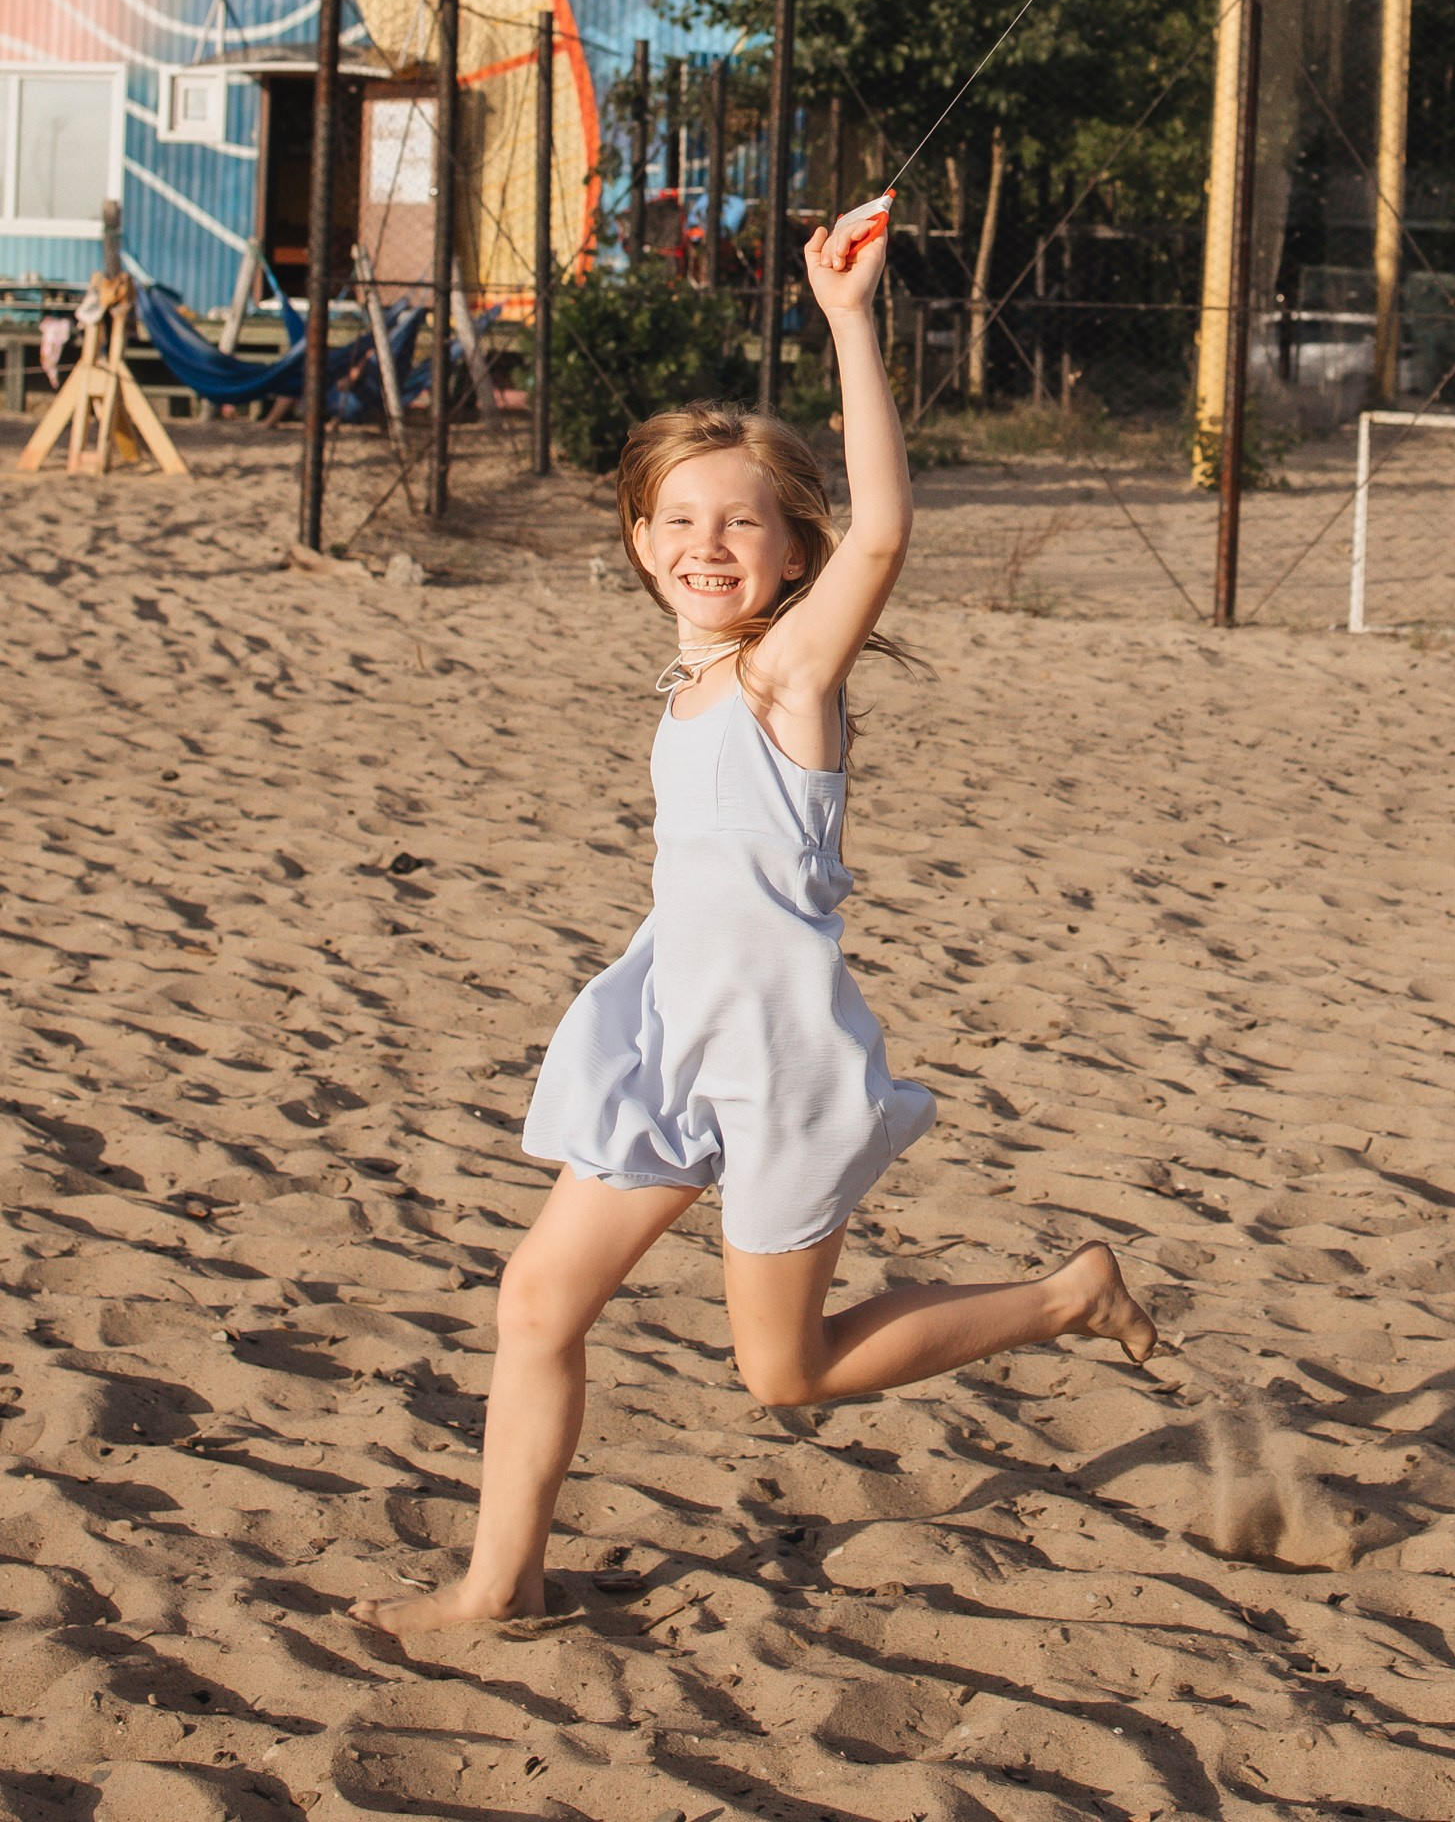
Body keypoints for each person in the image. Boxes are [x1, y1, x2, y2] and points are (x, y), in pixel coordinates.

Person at [352, 201, 1154, 1638]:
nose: (707, 544)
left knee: (785, 1377)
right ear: (638, 536)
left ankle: (1062, 1296)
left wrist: (846, 319)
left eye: (743, 523)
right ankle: (502, 1585)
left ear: (794, 551)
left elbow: (892, 530)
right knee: (536, 1306)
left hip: (774, 1056)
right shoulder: (687, 676)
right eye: (677, 520)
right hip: (671, 1028)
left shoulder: (789, 679)